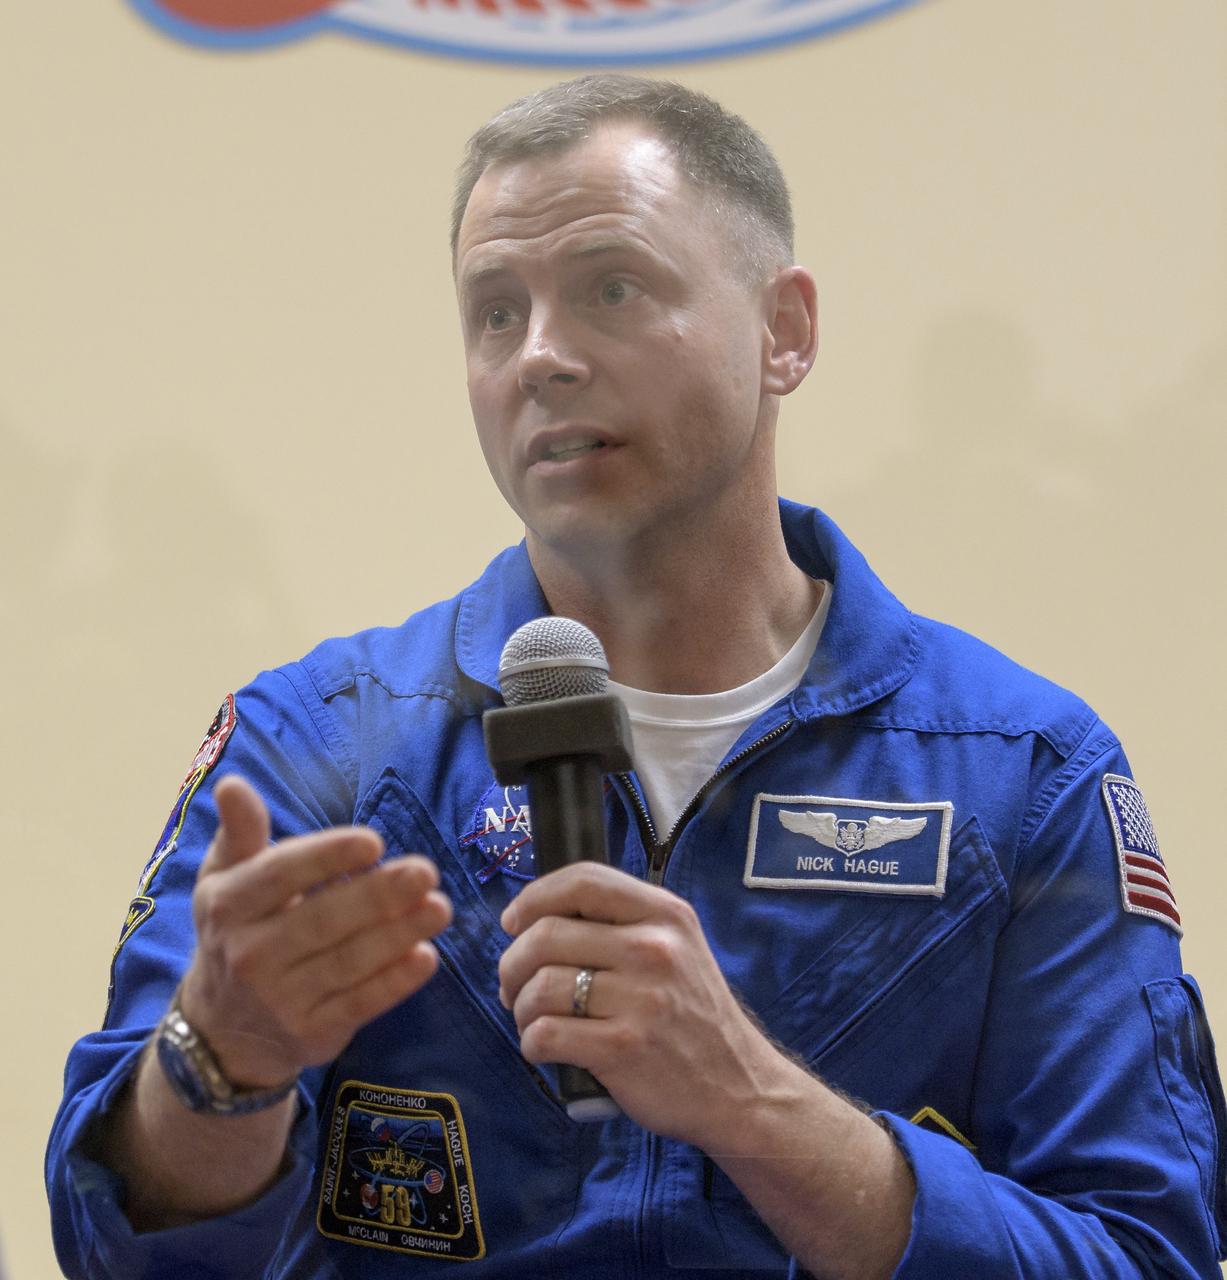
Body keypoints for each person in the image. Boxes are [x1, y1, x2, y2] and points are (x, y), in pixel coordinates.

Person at [48, 75, 1226, 1279]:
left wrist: (757, 1103)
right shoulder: (318, 747)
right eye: (495, 313)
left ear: (786, 331)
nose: (543, 356)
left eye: (611, 288)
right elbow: (113, 1242)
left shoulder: (1021, 771)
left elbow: (1148, 1254)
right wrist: (218, 1065)